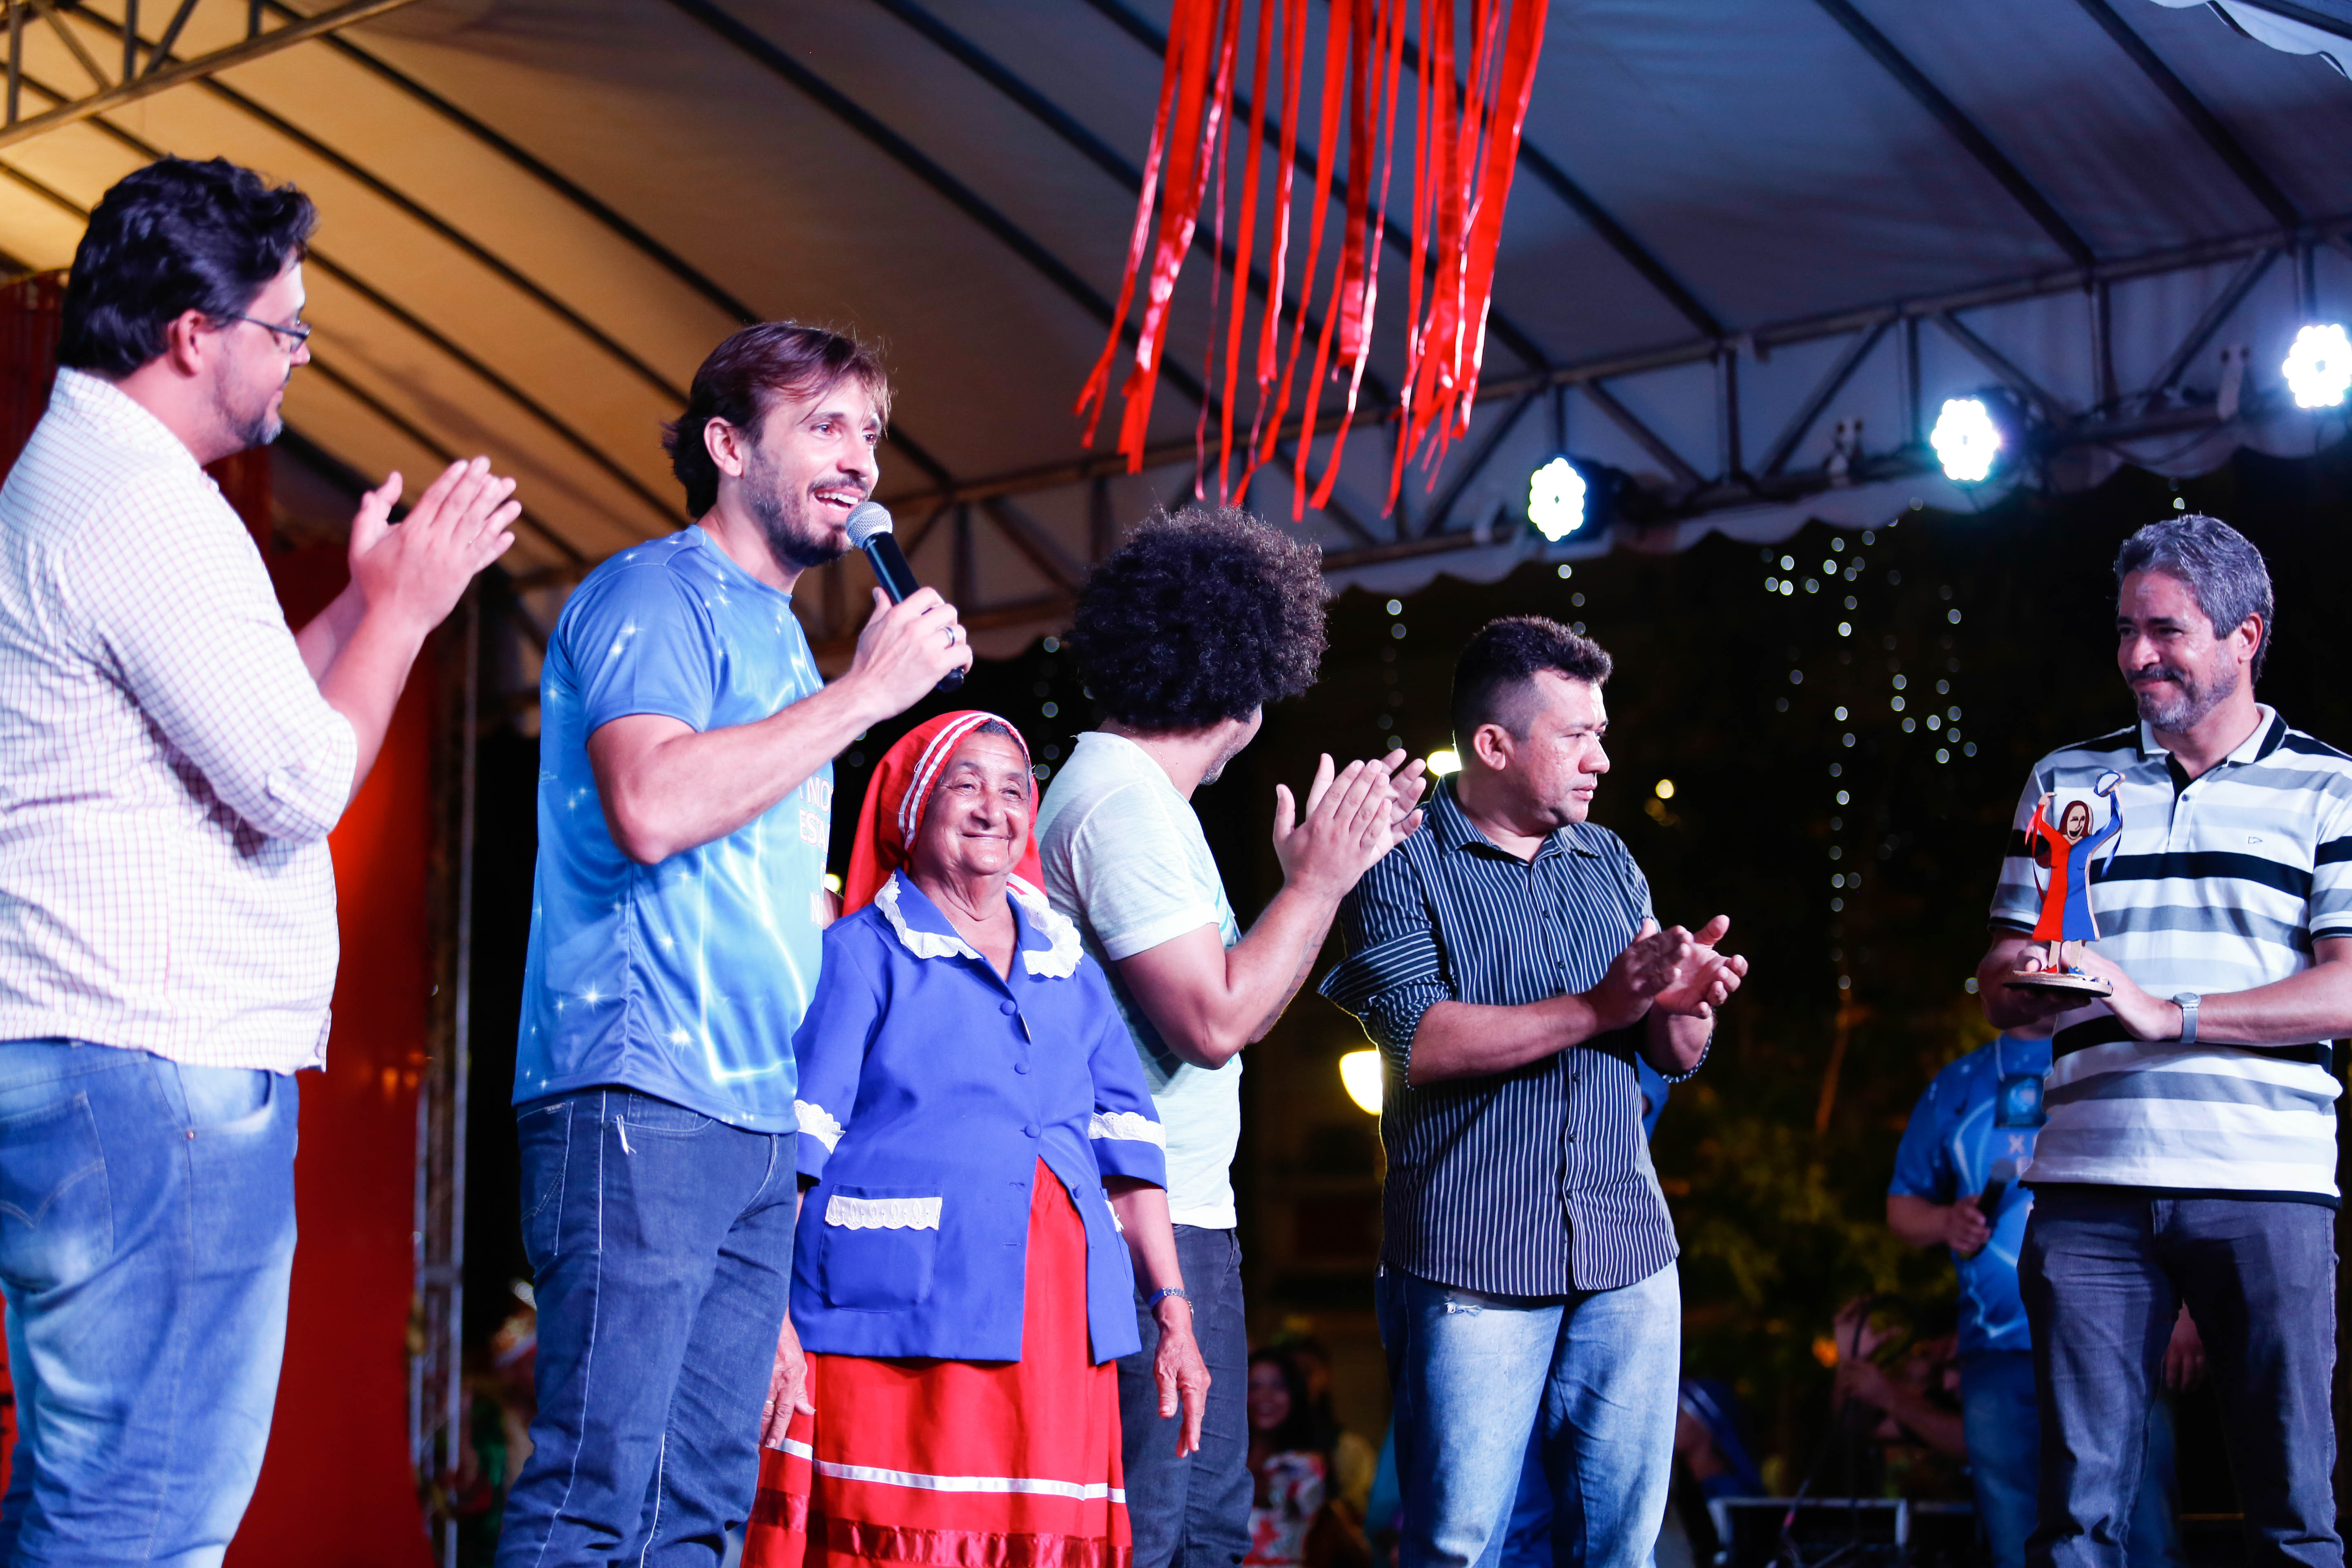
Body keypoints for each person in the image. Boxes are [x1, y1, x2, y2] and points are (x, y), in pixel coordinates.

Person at [0, 157, 519, 1563]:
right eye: (284, 327)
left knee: (95, 1495)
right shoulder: (141, 505)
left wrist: (362, 604)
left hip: (107, 1057)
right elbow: (295, 784)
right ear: (192, 334)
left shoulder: (100, 480)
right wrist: (407, 616)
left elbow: (242, 721)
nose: (298, 355)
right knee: (147, 1511)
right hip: (149, 1066)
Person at [501, 323, 971, 1564]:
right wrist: (868, 696)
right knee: (597, 1488)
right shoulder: (654, 593)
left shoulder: (787, 643)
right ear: (726, 445)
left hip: (755, 1115)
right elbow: (652, 807)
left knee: (703, 1505)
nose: (861, 460)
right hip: (642, 1089)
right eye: (825, 426)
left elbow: (762, 880)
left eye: (872, 434)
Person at [1037, 506, 1423, 1568]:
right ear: (1246, 686)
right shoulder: (1121, 804)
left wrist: (1320, 885)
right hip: (1140, 1223)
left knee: (1204, 1532)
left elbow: (1236, 1008)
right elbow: (1214, 1024)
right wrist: (1316, 884)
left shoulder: (1144, 800)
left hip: (1179, 1214)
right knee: (1157, 1535)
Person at [1321, 616, 1747, 1568]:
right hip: (1473, 1257)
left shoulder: (1610, 860)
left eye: (1602, 733)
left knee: (1622, 1549)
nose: (1602, 758)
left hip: (1629, 1251)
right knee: (1459, 1546)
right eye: (1578, 736)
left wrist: (1686, 1007)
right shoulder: (1397, 860)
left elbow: (1672, 1054)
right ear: (1494, 744)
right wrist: (1600, 1006)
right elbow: (1419, 1042)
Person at [1974, 514, 2352, 1568]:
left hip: (2265, 1183)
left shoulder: (2330, 787)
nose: (2138, 655)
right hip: (2087, 1186)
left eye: (2167, 630)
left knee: (2293, 1514)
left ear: (2246, 636)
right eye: (2126, 630)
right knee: (2075, 1524)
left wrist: (2169, 1012)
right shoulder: (2065, 780)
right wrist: (2026, 983)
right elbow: (2001, 983)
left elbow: (2347, 988)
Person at [743, 712, 1206, 1568]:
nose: (995, 808)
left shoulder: (1070, 969)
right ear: (914, 812)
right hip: (896, 1319)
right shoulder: (860, 955)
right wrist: (769, 1312)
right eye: (966, 784)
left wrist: (1173, 1309)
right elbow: (797, 1153)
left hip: (1059, 1324)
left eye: (1014, 789)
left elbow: (1130, 1156)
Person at [1887, 1031, 2189, 1568]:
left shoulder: (2126, 1051)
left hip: (2120, 1346)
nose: (2019, 983)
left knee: (2142, 1535)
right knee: (2018, 1540)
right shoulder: (1956, 1084)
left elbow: (2181, 1183)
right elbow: (1902, 1207)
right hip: (1997, 1355)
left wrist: (2186, 1311)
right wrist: (1945, 1221)